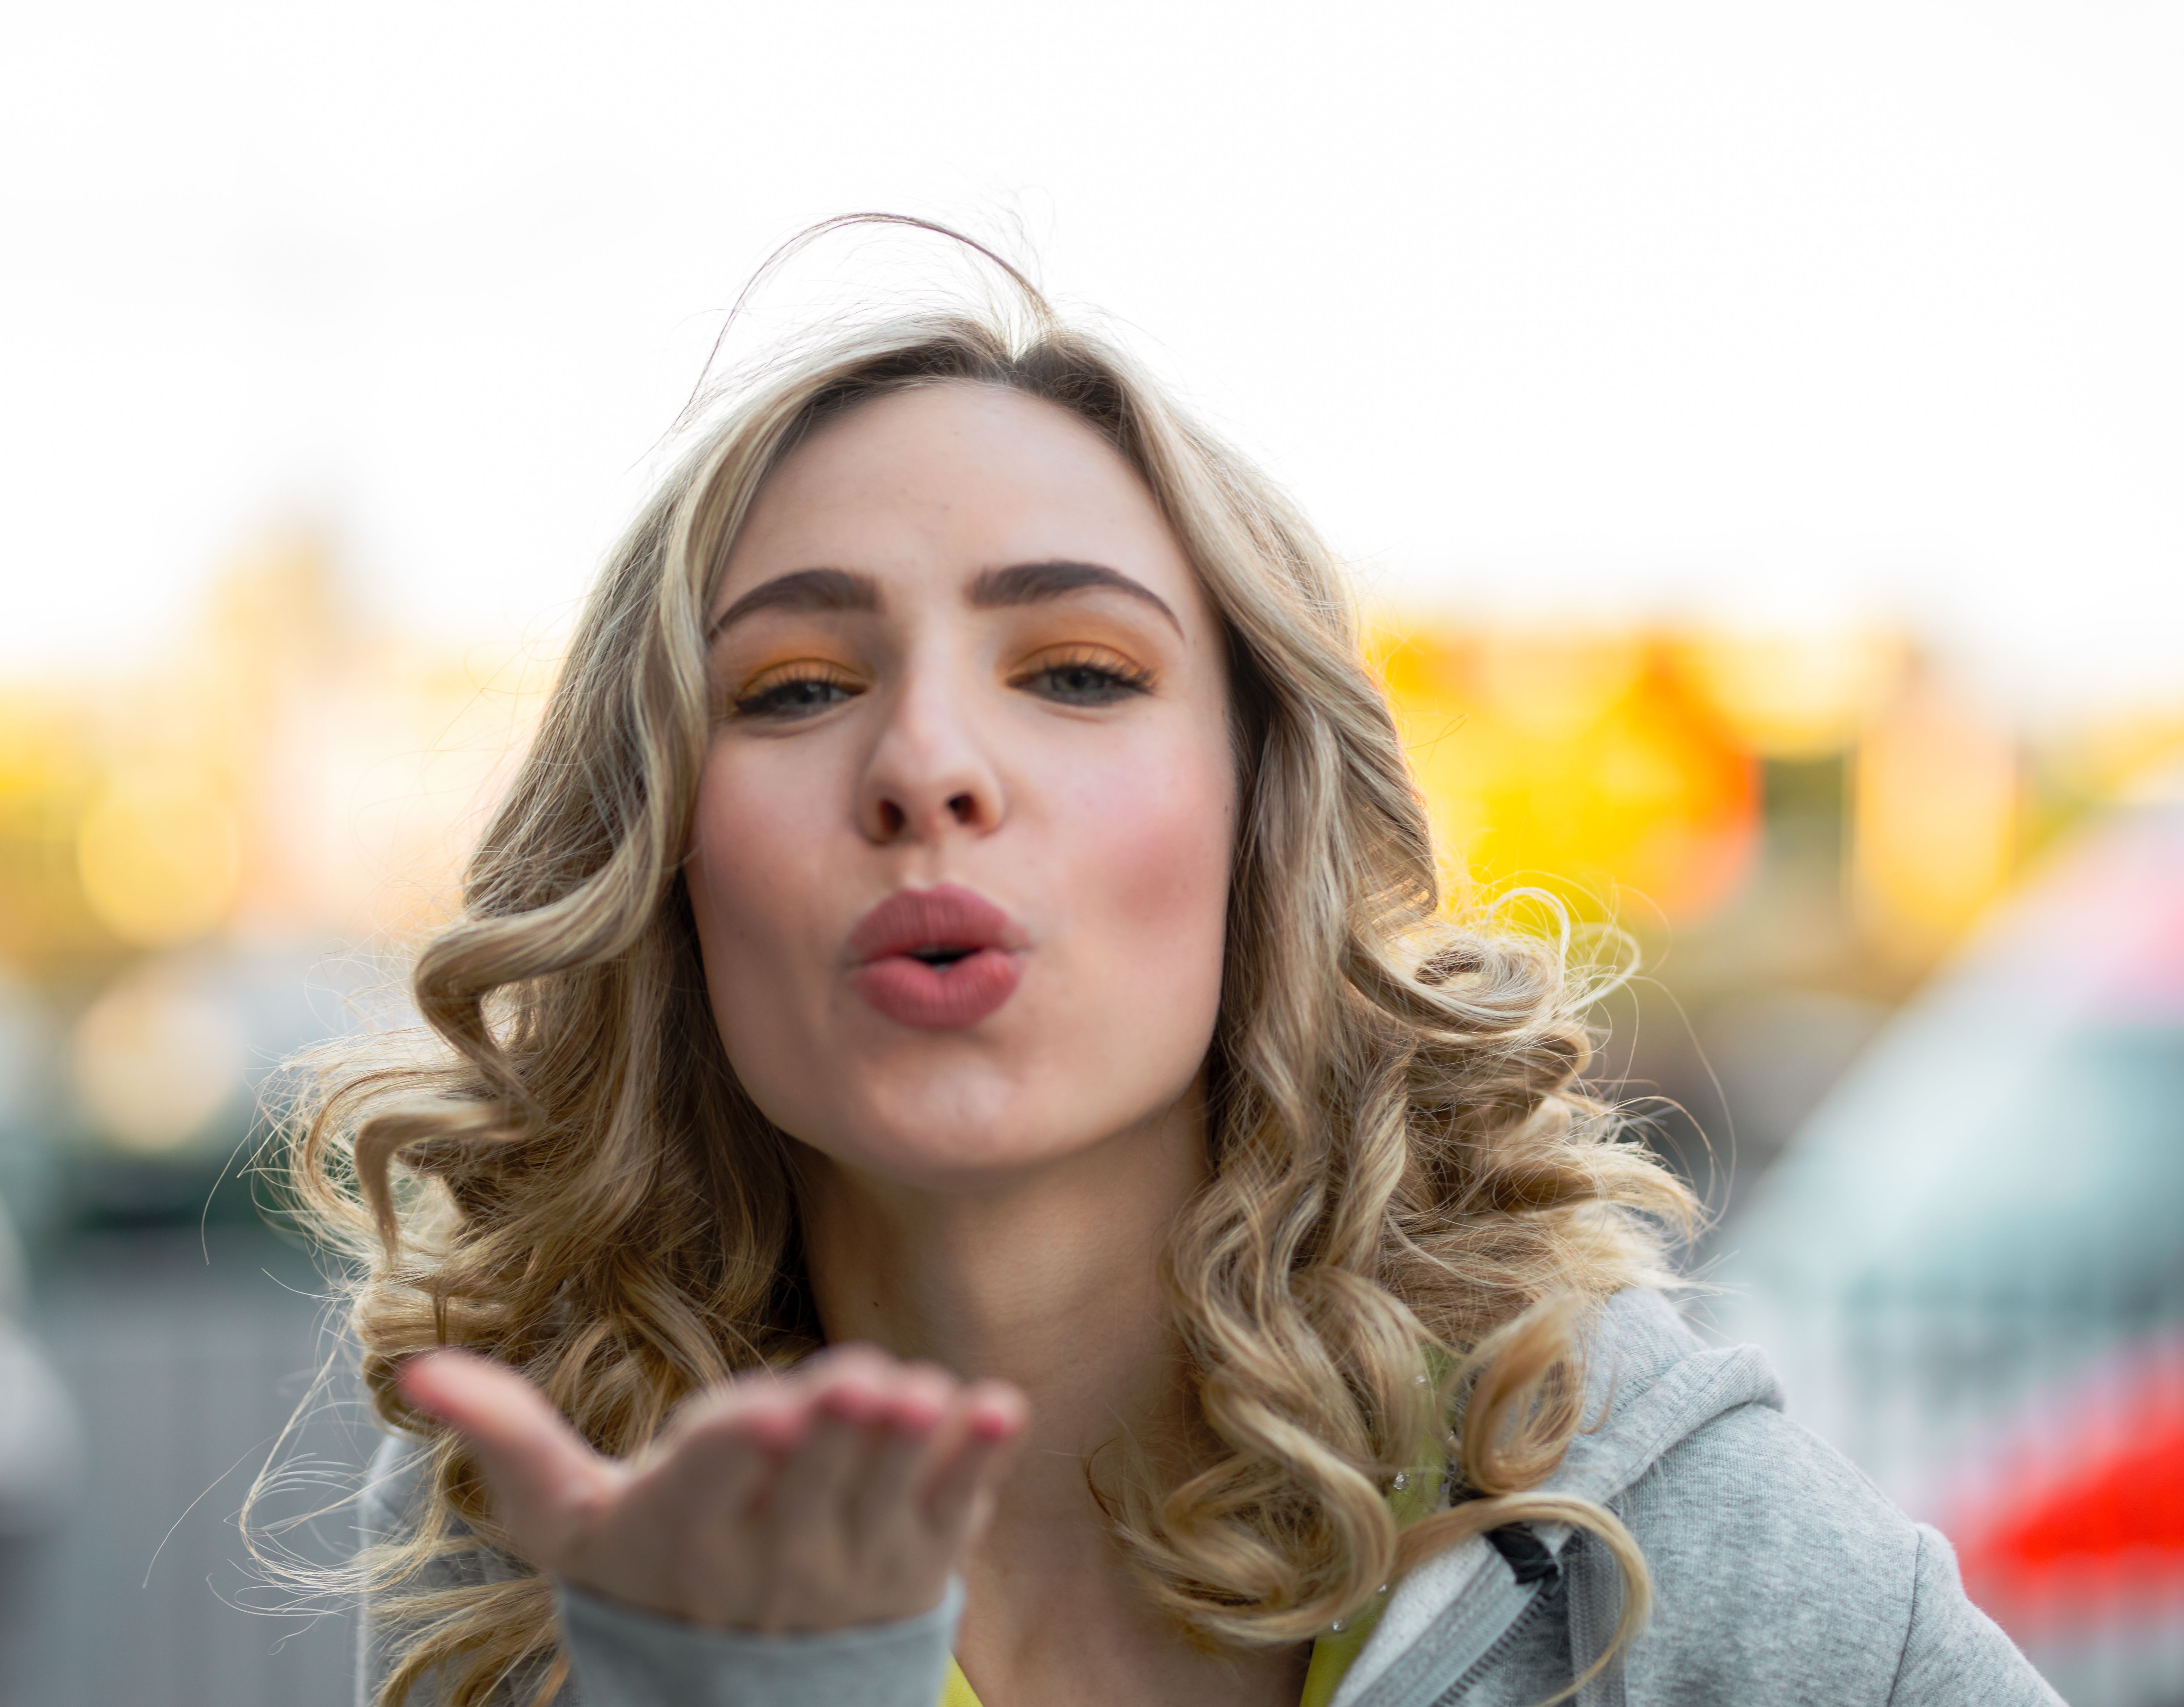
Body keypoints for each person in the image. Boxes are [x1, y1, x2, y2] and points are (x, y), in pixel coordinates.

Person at [292, 220, 2057, 1706]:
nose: (925, 763)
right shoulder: (536, 1544)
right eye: (796, 689)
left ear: (1260, 815)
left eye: (1074, 671)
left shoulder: (1649, 1539)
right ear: (665, 862)